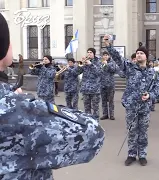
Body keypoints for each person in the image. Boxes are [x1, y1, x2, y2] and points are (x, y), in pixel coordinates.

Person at [0, 13, 105, 180]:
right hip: (50, 94)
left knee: (85, 107)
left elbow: (63, 75)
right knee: (72, 107)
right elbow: (93, 133)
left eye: (44, 59)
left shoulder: (51, 69)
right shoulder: (18, 106)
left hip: (59, 91)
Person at [105, 35, 159, 166]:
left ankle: (142, 154)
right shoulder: (130, 67)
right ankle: (131, 154)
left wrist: (150, 95)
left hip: (145, 107)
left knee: (143, 131)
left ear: (146, 57)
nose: (139, 55)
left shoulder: (153, 72)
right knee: (131, 130)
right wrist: (109, 45)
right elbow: (118, 58)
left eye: (142, 53)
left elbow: (158, 89)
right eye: (137, 53)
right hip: (131, 105)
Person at [77, 48, 102, 120]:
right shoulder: (85, 62)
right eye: (88, 52)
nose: (89, 54)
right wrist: (80, 65)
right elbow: (77, 72)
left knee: (95, 108)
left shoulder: (98, 61)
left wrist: (91, 64)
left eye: (91, 52)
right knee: (86, 108)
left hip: (95, 89)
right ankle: (88, 123)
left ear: (94, 54)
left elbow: (99, 73)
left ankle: (96, 123)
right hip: (85, 89)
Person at [100, 51, 117, 120]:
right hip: (102, 84)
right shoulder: (100, 63)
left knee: (110, 101)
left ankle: (111, 114)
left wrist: (107, 64)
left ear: (109, 56)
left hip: (110, 85)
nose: (105, 56)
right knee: (103, 101)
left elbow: (114, 70)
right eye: (104, 55)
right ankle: (105, 114)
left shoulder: (112, 63)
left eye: (107, 55)